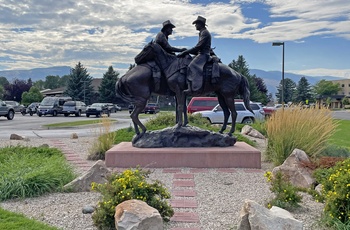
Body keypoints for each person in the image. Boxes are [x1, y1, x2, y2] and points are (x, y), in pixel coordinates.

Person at [178, 16, 211, 95]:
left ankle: (191, 88)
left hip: (204, 54)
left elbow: (199, 46)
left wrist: (185, 52)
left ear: (201, 24)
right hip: (201, 53)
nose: (195, 25)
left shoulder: (205, 33)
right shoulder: (202, 32)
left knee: (191, 66)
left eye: (196, 24)